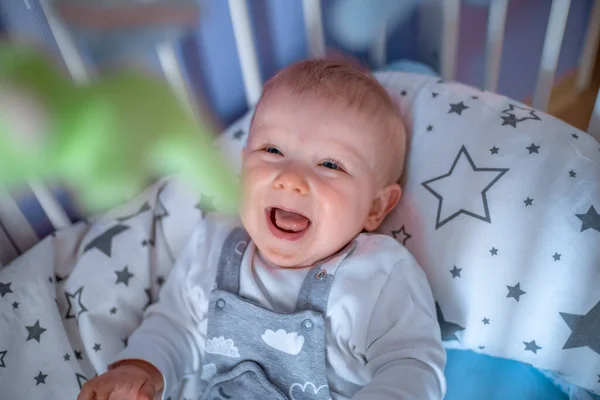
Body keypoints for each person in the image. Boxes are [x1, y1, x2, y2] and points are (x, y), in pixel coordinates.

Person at [77, 58, 446, 400]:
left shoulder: (376, 275)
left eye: (330, 164)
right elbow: (180, 324)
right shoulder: (216, 240)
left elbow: (411, 366)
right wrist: (139, 370)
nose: (290, 178)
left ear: (376, 206)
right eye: (272, 150)